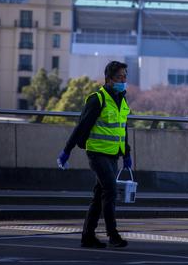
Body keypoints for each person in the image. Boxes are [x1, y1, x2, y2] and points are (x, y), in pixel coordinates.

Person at [56, 61, 132, 248]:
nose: (123, 80)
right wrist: (67, 151)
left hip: (113, 154)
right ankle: (113, 235)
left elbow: (122, 129)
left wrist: (126, 153)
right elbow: (82, 126)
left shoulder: (121, 99)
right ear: (108, 79)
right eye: (119, 77)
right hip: (97, 154)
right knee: (110, 191)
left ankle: (87, 236)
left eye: (124, 76)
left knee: (99, 195)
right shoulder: (97, 99)